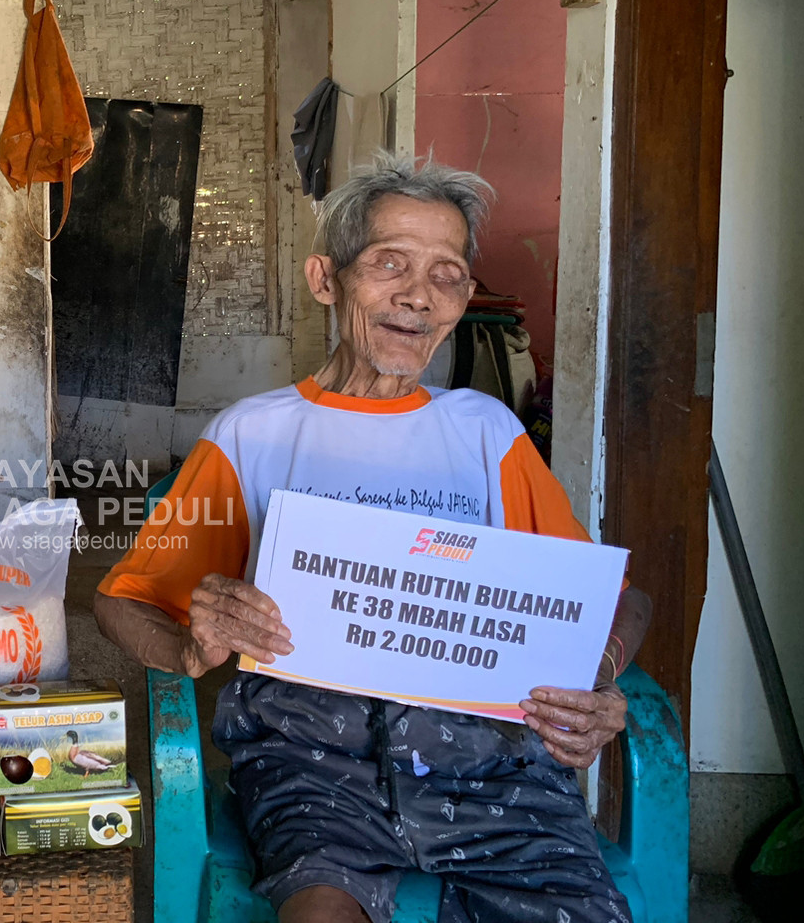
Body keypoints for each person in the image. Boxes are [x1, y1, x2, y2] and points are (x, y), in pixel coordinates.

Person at [94, 153, 651, 923]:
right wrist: (191, 647)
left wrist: (597, 674)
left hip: (496, 776)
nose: (418, 295)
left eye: (447, 273)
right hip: (312, 771)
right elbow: (123, 602)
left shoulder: (487, 434)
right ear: (328, 280)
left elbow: (621, 599)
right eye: (390, 263)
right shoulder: (252, 436)